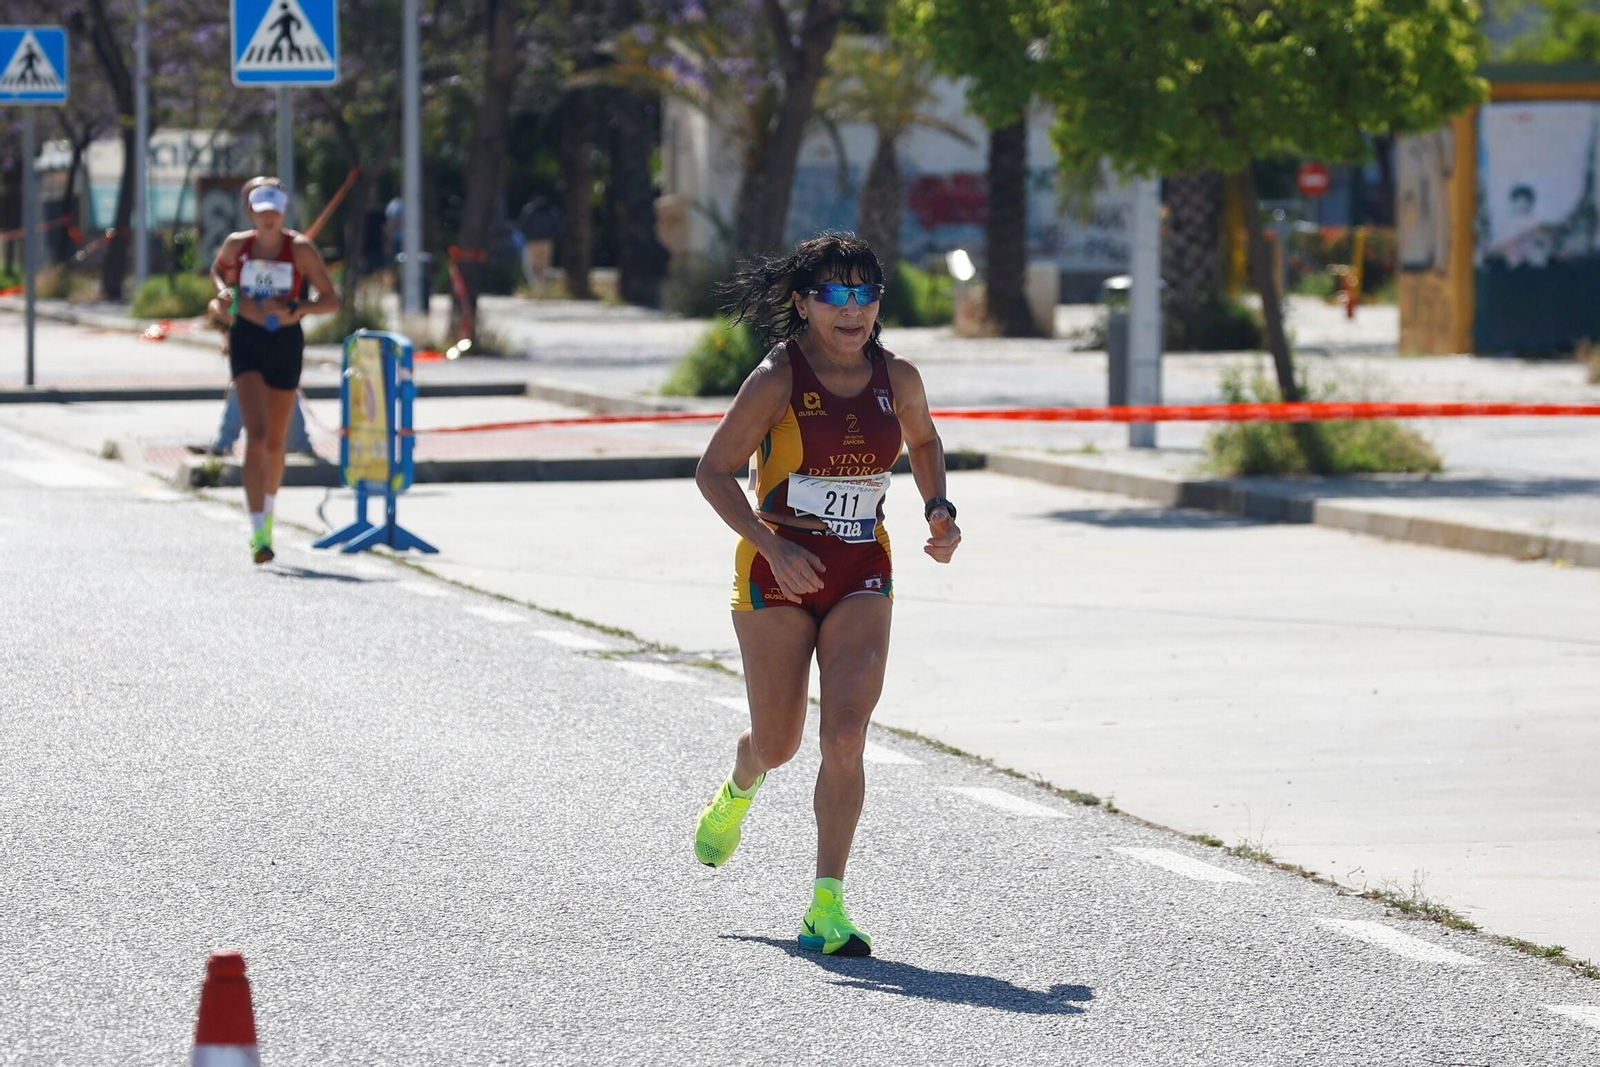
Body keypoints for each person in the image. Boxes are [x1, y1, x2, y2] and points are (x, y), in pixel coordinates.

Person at [691, 232, 961, 956]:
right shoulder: (778, 377)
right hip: (775, 571)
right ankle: (742, 781)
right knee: (780, 741)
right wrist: (772, 542)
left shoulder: (897, 377)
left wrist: (940, 509)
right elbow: (713, 471)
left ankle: (825, 904)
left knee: (845, 731)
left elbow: (926, 443)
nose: (852, 309)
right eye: (835, 294)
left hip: (861, 568)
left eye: (865, 293)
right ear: (804, 302)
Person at [209, 179, 340, 563]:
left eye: (274, 210)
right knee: (257, 434)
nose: (268, 217)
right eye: (261, 210)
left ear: (283, 211)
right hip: (247, 340)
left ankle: (269, 510)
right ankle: (258, 532)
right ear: (250, 212)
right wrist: (224, 294)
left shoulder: (299, 249)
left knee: (275, 442)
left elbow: (331, 301)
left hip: (284, 343)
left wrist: (297, 310)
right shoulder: (238, 245)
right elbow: (218, 271)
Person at [515, 196, 562, 289]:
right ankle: (541, 289)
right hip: (547, 243)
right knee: (543, 269)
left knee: (528, 267)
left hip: (532, 243)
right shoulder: (551, 212)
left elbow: (522, 225)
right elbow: (558, 228)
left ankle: (535, 287)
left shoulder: (529, 211)